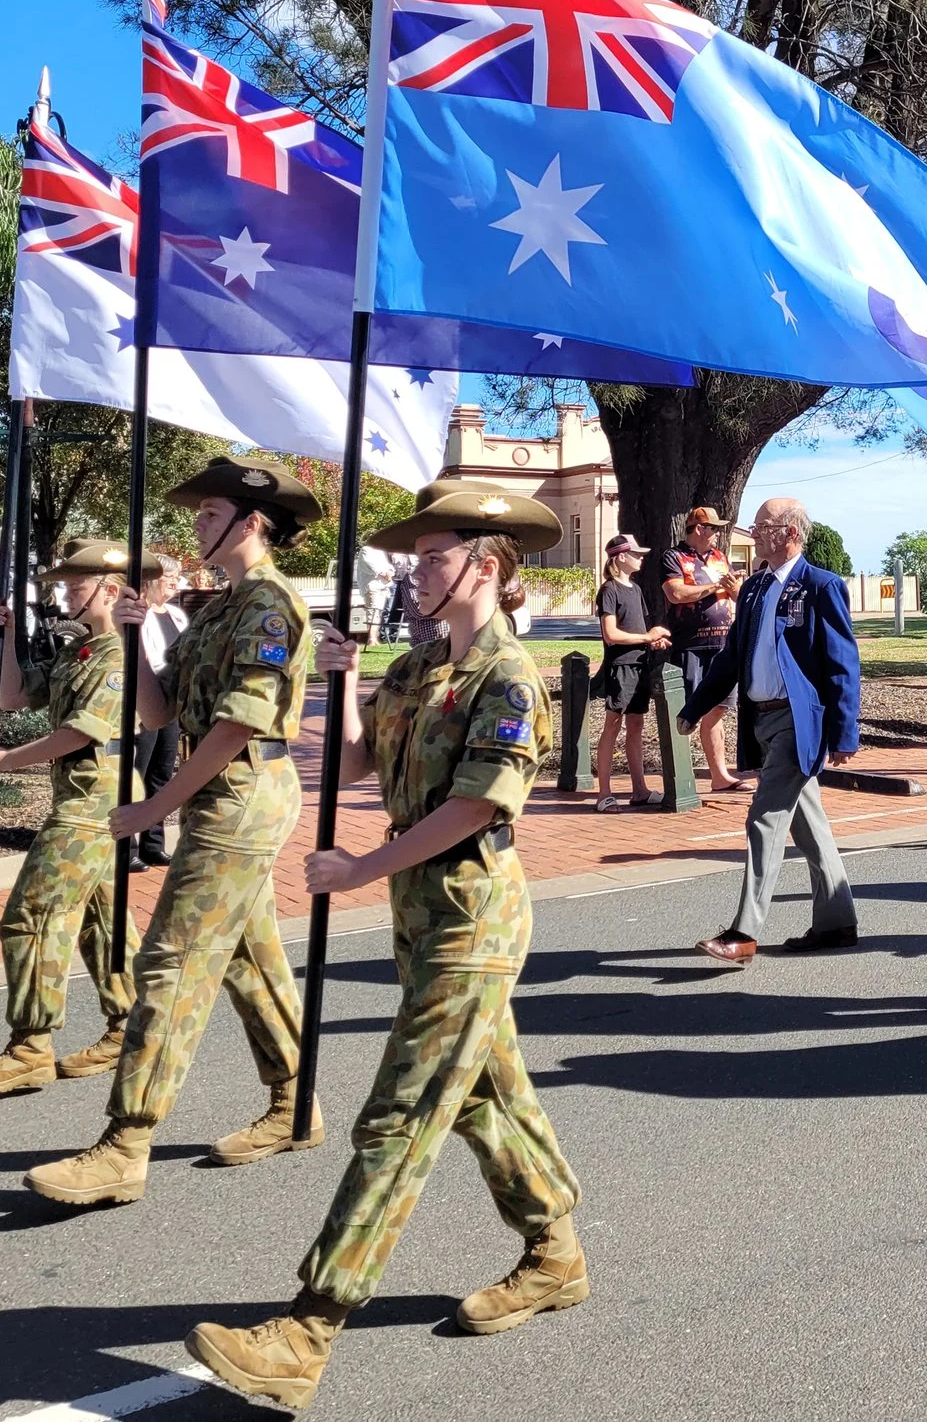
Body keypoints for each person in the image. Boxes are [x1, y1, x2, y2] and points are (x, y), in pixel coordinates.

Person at [189, 483, 586, 1409]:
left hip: (473, 921)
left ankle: (309, 1326)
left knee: (399, 1117)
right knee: (488, 1096)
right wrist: (339, 682)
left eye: (435, 558)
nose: (418, 574)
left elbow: (477, 804)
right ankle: (555, 1248)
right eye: (416, 560)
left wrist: (361, 869)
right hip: (421, 920)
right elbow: (357, 764)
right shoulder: (414, 668)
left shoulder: (511, 677)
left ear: (486, 567)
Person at [23, 454, 320, 1208]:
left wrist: (157, 808)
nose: (198, 524)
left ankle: (126, 1143)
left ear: (253, 523)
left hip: (244, 790)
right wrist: (133, 634)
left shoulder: (269, 606)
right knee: (249, 958)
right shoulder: (216, 606)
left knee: (171, 963)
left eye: (212, 515)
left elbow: (239, 722)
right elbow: (158, 714)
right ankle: (295, 1100)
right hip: (220, 792)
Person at [0, 542, 140, 1096]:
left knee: (32, 915)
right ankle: (128, 1022)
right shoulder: (77, 649)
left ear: (108, 591)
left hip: (94, 801)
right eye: (62, 586)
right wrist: (3, 636)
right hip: (84, 797)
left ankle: (30, 1046)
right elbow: (12, 696)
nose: (63, 595)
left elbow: (82, 732)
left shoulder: (116, 655)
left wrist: (5, 761)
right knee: (102, 920)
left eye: (74, 587)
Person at [681, 499, 862, 963]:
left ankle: (744, 931)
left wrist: (843, 733)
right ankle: (837, 921)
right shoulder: (755, 587)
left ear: (791, 533)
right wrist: (696, 706)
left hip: (797, 722)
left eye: (763, 526)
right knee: (809, 824)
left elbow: (843, 664)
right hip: (759, 719)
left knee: (764, 819)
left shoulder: (821, 586)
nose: (754, 533)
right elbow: (731, 656)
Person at [655, 507, 743, 793]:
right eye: (712, 528)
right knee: (687, 712)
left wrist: (734, 588)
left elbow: (734, 593)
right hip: (691, 645)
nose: (716, 533)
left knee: (718, 708)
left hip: (723, 645)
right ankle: (679, 779)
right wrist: (714, 587)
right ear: (698, 529)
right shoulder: (674, 557)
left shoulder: (719, 558)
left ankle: (720, 776)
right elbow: (676, 593)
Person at [594, 533, 671, 810]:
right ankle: (604, 793)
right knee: (612, 726)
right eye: (636, 554)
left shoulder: (635, 590)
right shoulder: (609, 590)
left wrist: (653, 639)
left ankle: (639, 789)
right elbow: (611, 634)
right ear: (621, 557)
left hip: (640, 665)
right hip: (620, 667)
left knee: (636, 725)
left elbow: (640, 631)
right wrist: (648, 637)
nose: (641, 558)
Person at [133, 555, 190, 868]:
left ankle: (153, 845)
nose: (174, 581)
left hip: (171, 704)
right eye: (168, 575)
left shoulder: (177, 615)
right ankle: (126, 846)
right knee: (136, 773)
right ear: (149, 580)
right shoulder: (138, 615)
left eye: (177, 576)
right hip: (145, 702)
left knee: (162, 773)